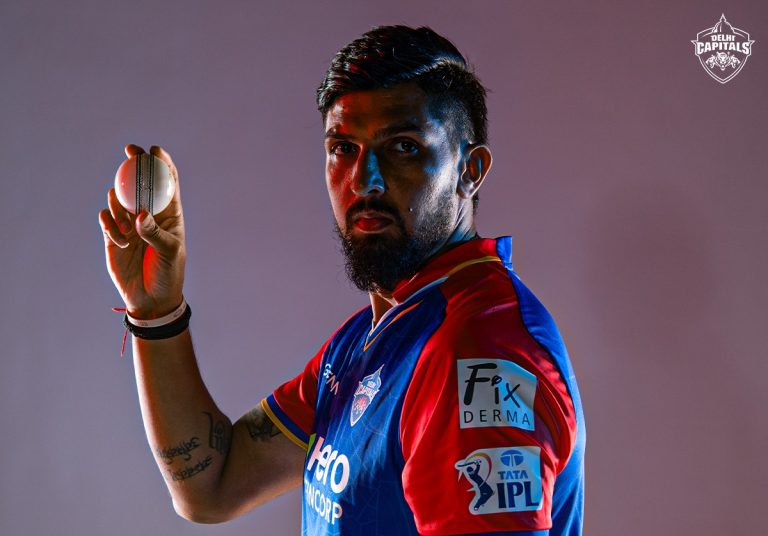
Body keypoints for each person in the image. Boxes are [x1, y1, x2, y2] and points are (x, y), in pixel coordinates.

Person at [98, 25, 585, 536]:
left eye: (402, 146)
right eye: (343, 148)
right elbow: (214, 485)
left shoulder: (474, 349)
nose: (364, 180)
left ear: (470, 170)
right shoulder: (371, 337)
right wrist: (157, 312)